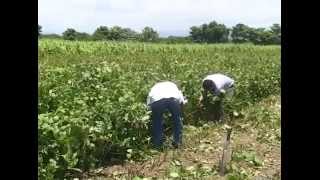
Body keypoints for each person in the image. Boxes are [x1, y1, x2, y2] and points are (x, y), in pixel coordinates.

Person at [147, 81, 187, 148]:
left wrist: (154, 112)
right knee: (177, 119)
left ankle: (158, 143)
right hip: (173, 98)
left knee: (157, 121)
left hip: (157, 99)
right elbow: (181, 101)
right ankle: (177, 141)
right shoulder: (173, 85)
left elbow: (149, 103)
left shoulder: (155, 87)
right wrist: (181, 114)